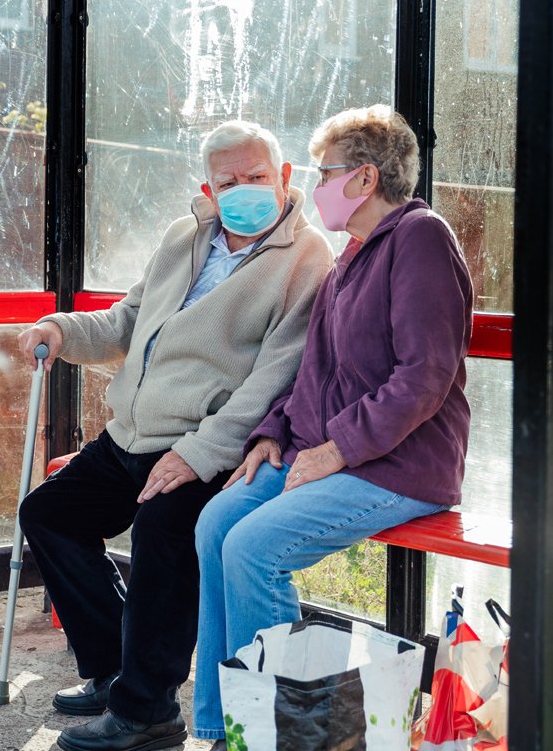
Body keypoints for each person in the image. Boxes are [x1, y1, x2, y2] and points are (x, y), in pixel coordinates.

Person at [15, 121, 334, 751]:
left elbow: (276, 376)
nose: (244, 189)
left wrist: (200, 452)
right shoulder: (183, 237)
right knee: (48, 514)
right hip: (132, 431)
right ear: (208, 191)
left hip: (205, 441)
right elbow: (129, 320)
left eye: (257, 177)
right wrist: (61, 330)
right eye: (229, 182)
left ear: (285, 177)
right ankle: (116, 671)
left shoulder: (308, 258)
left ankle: (147, 713)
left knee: (166, 532)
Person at [190, 105, 474, 749]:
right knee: (215, 525)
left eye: (326, 172)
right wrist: (272, 435)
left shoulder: (419, 238)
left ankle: (281, 737)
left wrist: (339, 449)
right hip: (333, 454)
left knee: (254, 549)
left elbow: (423, 376)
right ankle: (225, 725)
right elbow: (312, 373)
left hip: (402, 463)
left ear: (365, 179)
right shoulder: (352, 256)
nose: (316, 186)